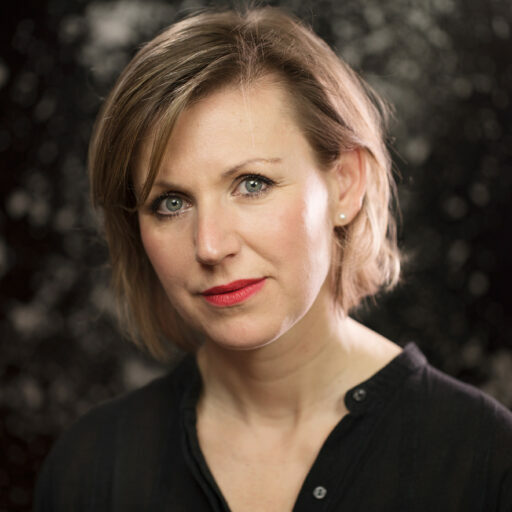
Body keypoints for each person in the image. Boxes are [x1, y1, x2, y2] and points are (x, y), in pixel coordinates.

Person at [34, 6, 512, 511]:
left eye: (252, 184)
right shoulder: (89, 469)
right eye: (171, 203)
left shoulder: (487, 463)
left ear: (345, 184)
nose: (210, 246)